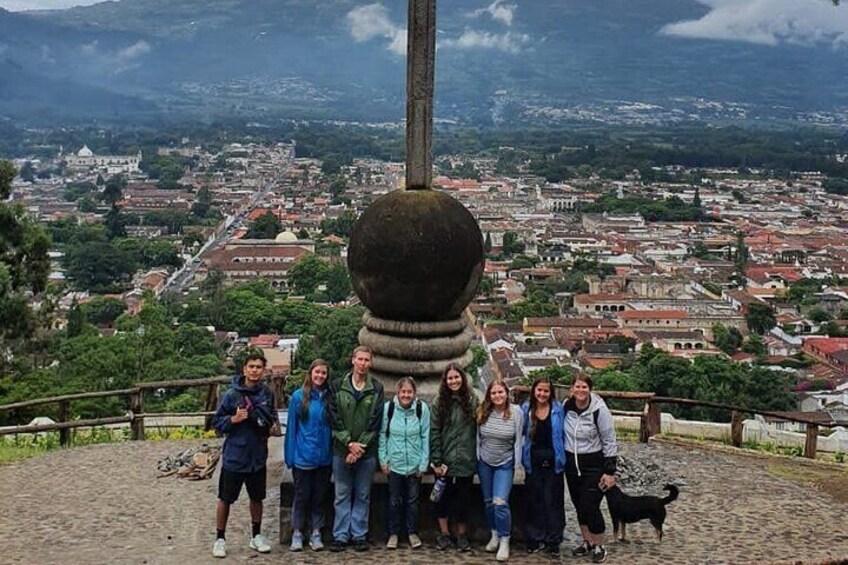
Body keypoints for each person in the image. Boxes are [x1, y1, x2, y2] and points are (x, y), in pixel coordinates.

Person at [211, 351, 276, 558]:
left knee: (257, 497)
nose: (255, 370)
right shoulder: (231, 395)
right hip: (235, 456)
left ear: (263, 369)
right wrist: (233, 420)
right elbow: (217, 424)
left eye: (258, 367)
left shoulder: (267, 393)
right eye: (251, 367)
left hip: (257, 456)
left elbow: (272, 417)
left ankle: (256, 535)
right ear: (244, 369)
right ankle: (220, 538)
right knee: (226, 498)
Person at [327, 345, 385, 552]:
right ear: (353, 360)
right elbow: (333, 418)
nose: (362, 364)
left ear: (370, 363)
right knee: (341, 494)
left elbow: (375, 421)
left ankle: (359, 534)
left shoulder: (376, 388)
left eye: (366, 360)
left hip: (366, 452)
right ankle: (341, 535)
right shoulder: (336, 386)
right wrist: (348, 444)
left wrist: (360, 447)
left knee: (362, 494)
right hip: (341, 450)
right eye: (359, 359)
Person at [563, 375, 618, 564]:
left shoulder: (599, 411)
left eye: (584, 387)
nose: (580, 391)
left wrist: (610, 470)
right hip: (572, 463)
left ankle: (599, 544)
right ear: (571, 389)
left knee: (590, 505)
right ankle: (586, 540)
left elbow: (609, 440)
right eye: (577, 387)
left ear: (590, 389)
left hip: (593, 464)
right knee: (579, 505)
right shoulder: (566, 407)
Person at [284, 359, 333, 552]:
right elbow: (292, 429)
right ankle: (297, 531)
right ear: (310, 373)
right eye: (317, 372)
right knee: (302, 495)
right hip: (303, 456)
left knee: (320, 496)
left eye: (323, 373)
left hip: (324, 456)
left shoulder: (329, 397)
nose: (320, 376)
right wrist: (290, 456)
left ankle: (316, 531)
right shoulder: (298, 397)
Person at [378, 376, 431, 550]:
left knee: (413, 502)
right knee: (394, 500)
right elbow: (383, 435)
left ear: (414, 393)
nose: (406, 395)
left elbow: (425, 437)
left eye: (409, 392)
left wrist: (424, 463)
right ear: (398, 393)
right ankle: (393, 534)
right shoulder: (389, 409)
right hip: (395, 464)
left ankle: (412, 532)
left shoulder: (421, 409)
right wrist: (383, 459)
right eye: (403, 392)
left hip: (415, 465)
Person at [429, 363, 478, 552]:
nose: (454, 381)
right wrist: (437, 459)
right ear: (445, 381)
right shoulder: (438, 402)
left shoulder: (473, 401)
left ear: (463, 379)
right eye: (450, 378)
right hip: (445, 461)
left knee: (463, 501)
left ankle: (462, 535)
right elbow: (434, 431)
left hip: (465, 458)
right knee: (442, 499)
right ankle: (444, 534)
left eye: (457, 377)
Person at [477, 379, 523, 562]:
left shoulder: (516, 413)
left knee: (500, 502)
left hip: (505, 463)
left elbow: (520, 437)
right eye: (494, 393)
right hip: (485, 462)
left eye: (500, 392)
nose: (497, 396)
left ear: (506, 394)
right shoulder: (483, 412)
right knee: (488, 502)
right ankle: (494, 534)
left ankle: (505, 539)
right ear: (489, 395)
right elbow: (478, 437)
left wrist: (518, 464)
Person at [520, 376, 566, 557]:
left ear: (550, 392)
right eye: (539, 390)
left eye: (546, 391)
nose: (542, 394)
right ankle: (535, 536)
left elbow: (563, 434)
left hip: (554, 462)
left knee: (553, 501)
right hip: (533, 461)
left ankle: (553, 539)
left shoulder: (557, 409)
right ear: (533, 391)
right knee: (534, 500)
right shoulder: (526, 409)